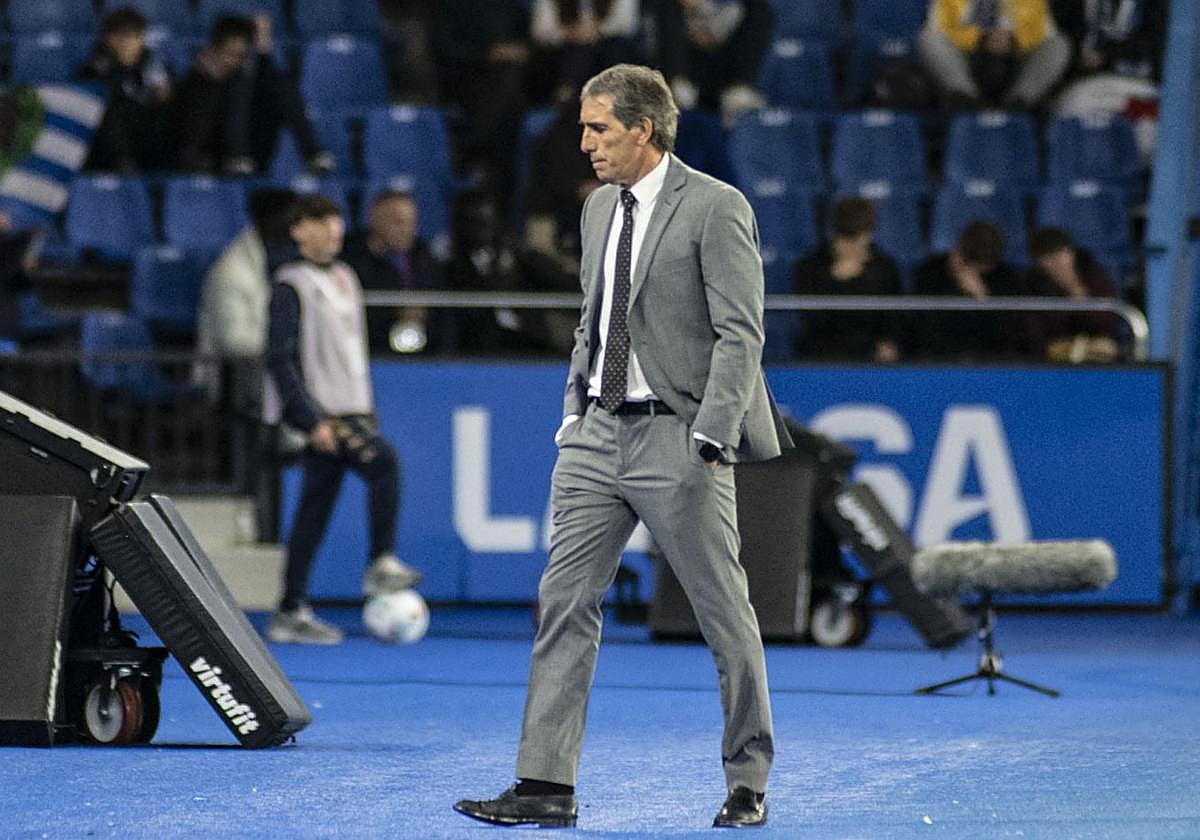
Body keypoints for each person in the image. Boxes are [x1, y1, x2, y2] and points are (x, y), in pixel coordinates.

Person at [454, 63, 791, 830]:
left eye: (598, 128)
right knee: (563, 604)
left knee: (723, 614)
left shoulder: (716, 206)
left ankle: (748, 779)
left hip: (681, 435)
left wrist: (712, 431)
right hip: (596, 436)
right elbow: (592, 316)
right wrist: (575, 409)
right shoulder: (599, 209)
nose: (584, 143)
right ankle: (545, 785)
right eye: (583, 127)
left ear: (645, 128)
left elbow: (742, 333)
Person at [262, 195, 420, 645]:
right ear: (298, 231)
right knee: (384, 464)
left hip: (351, 410)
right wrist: (310, 419)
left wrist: (367, 407)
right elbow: (280, 357)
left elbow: (352, 351)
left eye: (334, 221)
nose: (332, 229)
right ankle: (380, 562)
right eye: (319, 222)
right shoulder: (289, 284)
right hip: (324, 413)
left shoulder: (345, 276)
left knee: (313, 510)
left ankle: (290, 609)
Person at [174, 14, 333, 176]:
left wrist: (263, 52)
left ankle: (313, 154)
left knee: (279, 85)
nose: (236, 61)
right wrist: (213, 80)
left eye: (241, 56)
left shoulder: (246, 77)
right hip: (210, 156)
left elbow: (271, 80)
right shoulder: (196, 77)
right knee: (238, 86)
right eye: (230, 54)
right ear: (214, 49)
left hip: (252, 155)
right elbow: (187, 128)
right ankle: (237, 157)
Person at [792, 196, 904, 362]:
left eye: (858, 239)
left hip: (871, 355)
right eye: (846, 239)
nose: (852, 247)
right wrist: (836, 280)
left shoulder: (885, 269)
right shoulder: (809, 267)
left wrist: (888, 343)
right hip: (822, 355)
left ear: (869, 234)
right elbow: (812, 321)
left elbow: (893, 320)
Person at [342, 191, 445, 356]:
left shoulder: (425, 258)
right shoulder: (351, 261)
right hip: (372, 353)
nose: (406, 229)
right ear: (375, 220)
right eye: (398, 222)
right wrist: (394, 312)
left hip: (425, 355)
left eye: (411, 222)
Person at [918, 0, 1072, 108]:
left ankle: (1019, 102)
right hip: (969, 61)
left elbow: (1044, 34)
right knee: (930, 39)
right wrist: (981, 39)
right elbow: (939, 29)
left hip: (1015, 61)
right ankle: (967, 101)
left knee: (1058, 44)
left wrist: (1012, 40)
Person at [75, 6, 173, 173]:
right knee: (107, 103)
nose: (127, 44)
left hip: (149, 144)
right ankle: (123, 162)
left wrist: (164, 95)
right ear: (107, 39)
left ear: (142, 39)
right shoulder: (91, 71)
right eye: (120, 37)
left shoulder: (156, 70)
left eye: (133, 37)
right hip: (107, 151)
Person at [911, 219, 1026, 360]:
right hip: (939, 359)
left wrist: (983, 299)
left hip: (991, 360)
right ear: (959, 251)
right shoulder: (928, 272)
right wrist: (954, 287)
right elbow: (922, 330)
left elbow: (1010, 336)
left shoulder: (1008, 278)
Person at [655, 0, 775, 127]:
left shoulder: (753, 10)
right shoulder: (669, 10)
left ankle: (740, 89)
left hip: (728, 76)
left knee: (760, 9)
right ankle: (678, 85)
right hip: (688, 76)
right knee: (667, 7)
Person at [1023, 226, 1123, 361]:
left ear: (1072, 253)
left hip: (1094, 352)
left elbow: (1108, 326)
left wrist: (1076, 291)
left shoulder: (1093, 276)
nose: (1057, 262)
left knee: (1106, 348)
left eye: (1060, 253)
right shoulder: (1031, 285)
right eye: (1048, 257)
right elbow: (1035, 335)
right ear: (1038, 263)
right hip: (1051, 357)